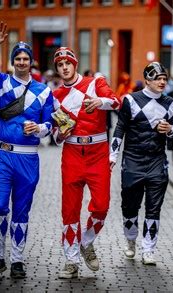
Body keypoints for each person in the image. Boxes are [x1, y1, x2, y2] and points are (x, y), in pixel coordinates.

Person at [0, 22, 54, 279]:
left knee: (21, 211)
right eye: (18, 58)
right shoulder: (1, 83)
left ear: (31, 62)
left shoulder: (44, 91)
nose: (22, 62)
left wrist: (40, 128)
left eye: (25, 58)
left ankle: (18, 260)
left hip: (27, 157)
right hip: (1, 155)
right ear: (13, 61)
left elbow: (51, 124)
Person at [52, 47, 121, 279]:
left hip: (97, 152)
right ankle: (71, 261)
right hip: (72, 153)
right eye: (60, 64)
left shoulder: (95, 82)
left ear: (74, 64)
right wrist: (61, 134)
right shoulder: (56, 96)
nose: (64, 67)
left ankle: (86, 242)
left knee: (101, 206)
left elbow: (116, 102)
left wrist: (99, 102)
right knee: (69, 209)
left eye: (67, 63)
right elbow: (55, 134)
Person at [109, 62, 173, 265]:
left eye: (164, 78)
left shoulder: (170, 102)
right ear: (147, 80)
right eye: (158, 78)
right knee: (130, 206)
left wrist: (170, 129)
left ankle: (149, 249)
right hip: (132, 159)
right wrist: (113, 155)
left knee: (154, 208)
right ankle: (131, 241)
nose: (162, 82)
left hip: (157, 160)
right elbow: (120, 128)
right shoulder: (130, 100)